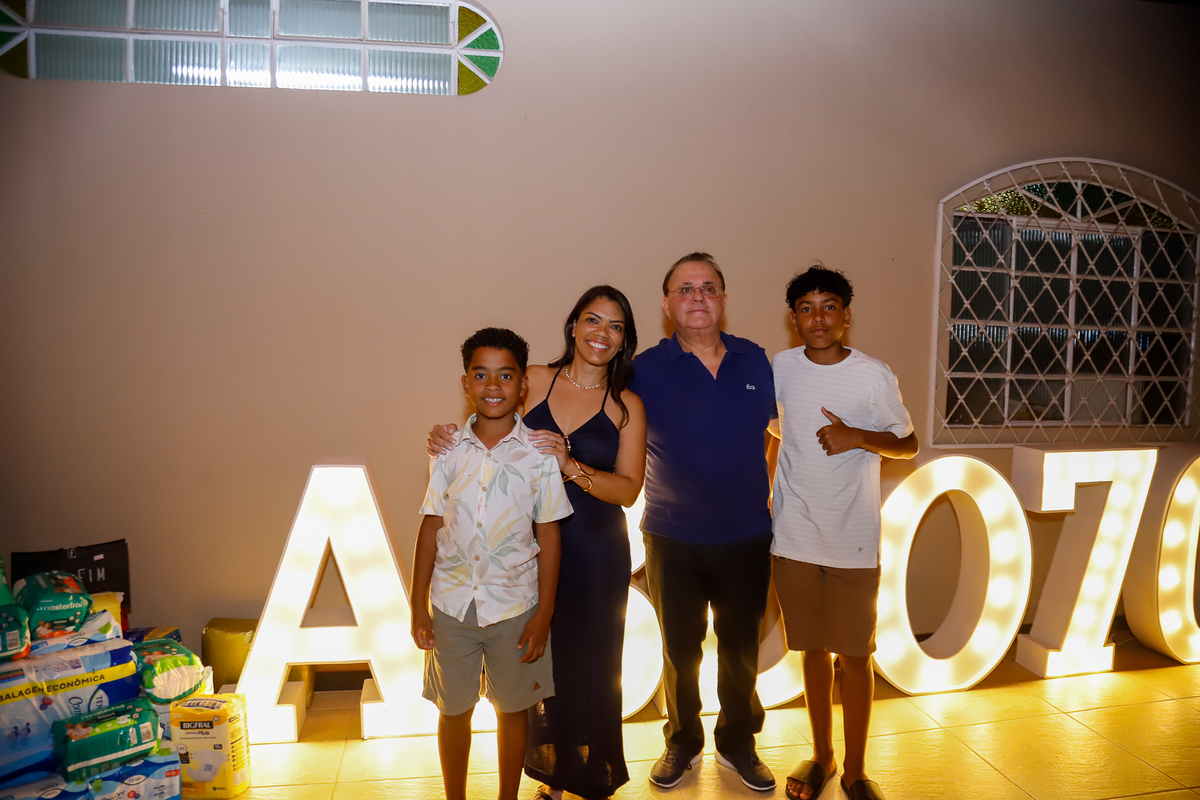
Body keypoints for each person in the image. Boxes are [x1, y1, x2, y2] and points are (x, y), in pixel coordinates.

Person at [428, 287, 647, 800]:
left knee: (591, 668)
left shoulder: (626, 405)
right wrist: (444, 436)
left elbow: (628, 490)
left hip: (595, 552)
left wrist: (571, 465)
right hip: (525, 551)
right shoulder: (535, 380)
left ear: (624, 340)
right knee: (537, 667)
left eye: (615, 326)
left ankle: (587, 776)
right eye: (592, 319)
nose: (601, 333)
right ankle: (553, 773)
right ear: (573, 325)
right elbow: (490, 418)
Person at [770, 266, 918, 800]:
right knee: (811, 650)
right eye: (806, 308)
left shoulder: (872, 375)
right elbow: (775, 430)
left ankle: (855, 769)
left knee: (855, 655)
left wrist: (857, 435)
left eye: (829, 306)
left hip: (853, 538)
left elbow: (908, 443)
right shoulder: (781, 368)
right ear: (794, 318)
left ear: (846, 315)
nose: (818, 318)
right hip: (793, 535)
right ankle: (823, 755)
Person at [633, 253, 777, 792]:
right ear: (667, 304)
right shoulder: (644, 368)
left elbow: (783, 427)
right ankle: (682, 741)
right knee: (680, 649)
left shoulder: (755, 360)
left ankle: (738, 741)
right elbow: (580, 391)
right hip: (672, 534)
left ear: (723, 298)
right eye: (686, 288)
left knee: (741, 647)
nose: (698, 297)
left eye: (709, 287)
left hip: (747, 533)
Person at [410, 327, 572, 800]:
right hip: (452, 605)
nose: (493, 385)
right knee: (453, 710)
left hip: (515, 606)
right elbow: (430, 527)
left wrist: (544, 614)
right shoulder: (447, 451)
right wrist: (417, 605)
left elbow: (549, 534)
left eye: (506, 375)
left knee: (513, 710)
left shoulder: (539, 455)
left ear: (523, 384)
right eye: (481, 375)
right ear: (466, 384)